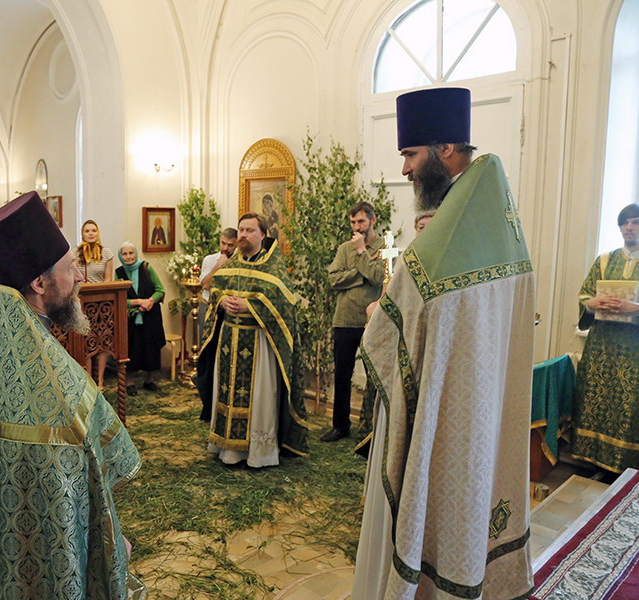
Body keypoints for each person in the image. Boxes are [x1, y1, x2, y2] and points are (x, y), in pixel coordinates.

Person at [352, 88, 534, 600]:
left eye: (410, 155)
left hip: (446, 409)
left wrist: (379, 312)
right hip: (484, 407)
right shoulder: (498, 221)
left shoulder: (448, 242)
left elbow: (396, 322)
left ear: (445, 149)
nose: (406, 170)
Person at [0, 191, 145, 600]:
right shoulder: (53, 377)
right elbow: (100, 454)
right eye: (71, 269)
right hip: (49, 539)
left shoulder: (1, 339)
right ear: (39, 282)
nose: (81, 277)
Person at [197, 213, 308, 467]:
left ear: (262, 235)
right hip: (228, 341)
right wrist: (221, 300)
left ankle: (258, 452)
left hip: (259, 343)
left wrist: (251, 305)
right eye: (241, 230)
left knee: (258, 397)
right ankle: (226, 447)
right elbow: (214, 288)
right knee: (226, 392)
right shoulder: (231, 264)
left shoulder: (274, 267)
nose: (244, 235)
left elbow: (285, 304)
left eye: (249, 230)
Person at [570, 203, 639, 473]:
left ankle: (625, 468)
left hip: (633, 350)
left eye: (635, 222)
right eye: (625, 223)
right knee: (596, 399)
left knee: (628, 406)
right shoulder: (604, 260)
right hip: (601, 346)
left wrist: (635, 309)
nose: (629, 228)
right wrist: (592, 304)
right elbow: (584, 295)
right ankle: (592, 461)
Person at [321, 202, 385, 443]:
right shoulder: (344, 248)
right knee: (342, 374)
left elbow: (379, 278)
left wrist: (361, 253)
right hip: (345, 319)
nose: (357, 227)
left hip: (372, 321)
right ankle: (340, 425)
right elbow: (334, 280)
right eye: (353, 222)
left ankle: (370, 426)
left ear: (373, 220)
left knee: (373, 376)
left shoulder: (383, 246)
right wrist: (361, 273)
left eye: (361, 221)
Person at [116, 241, 166, 395]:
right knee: (131, 349)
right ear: (121, 256)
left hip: (150, 316)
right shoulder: (119, 273)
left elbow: (160, 290)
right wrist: (138, 302)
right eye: (125, 253)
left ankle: (149, 380)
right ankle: (129, 383)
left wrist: (149, 301)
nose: (128, 256)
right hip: (130, 319)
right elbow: (119, 298)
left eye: (131, 253)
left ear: (135, 254)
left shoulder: (146, 267)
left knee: (151, 347)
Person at [75, 219, 115, 387]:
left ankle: (100, 380)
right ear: (83, 234)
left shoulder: (107, 253)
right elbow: (74, 278)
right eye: (87, 231)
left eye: (93, 230)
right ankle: (89, 380)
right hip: (84, 302)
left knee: (102, 342)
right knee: (87, 342)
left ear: (97, 233)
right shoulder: (77, 254)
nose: (90, 233)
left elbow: (108, 279)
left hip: (102, 302)